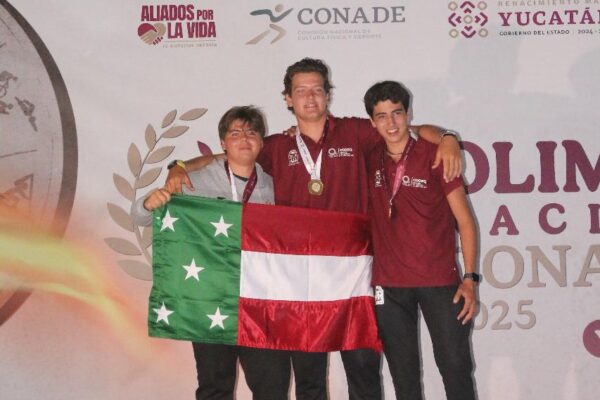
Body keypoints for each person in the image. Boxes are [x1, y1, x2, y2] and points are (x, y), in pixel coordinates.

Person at [164, 59, 463, 400]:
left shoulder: (355, 132)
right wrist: (180, 165)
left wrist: (448, 137)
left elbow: (407, 130)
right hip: (301, 278)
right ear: (288, 99)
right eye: (301, 91)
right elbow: (230, 156)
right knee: (310, 378)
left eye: (317, 90)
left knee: (363, 369)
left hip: (353, 273)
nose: (310, 98)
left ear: (327, 95)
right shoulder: (277, 146)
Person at [132, 106, 290, 400]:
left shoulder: (274, 185)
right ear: (222, 143)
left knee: (273, 388)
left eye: (251, 132)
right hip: (211, 302)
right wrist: (148, 203)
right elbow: (140, 217)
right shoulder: (195, 180)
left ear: (261, 142)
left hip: (260, 303)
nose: (244, 139)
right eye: (235, 133)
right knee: (215, 389)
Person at [363, 80, 478, 400]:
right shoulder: (370, 156)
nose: (391, 122)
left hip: (439, 282)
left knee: (456, 369)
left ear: (408, 113)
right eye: (382, 116)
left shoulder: (436, 155)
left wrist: (470, 278)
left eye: (397, 113)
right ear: (372, 122)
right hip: (389, 285)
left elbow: (466, 221)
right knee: (404, 379)